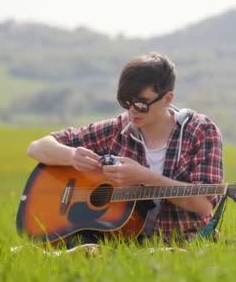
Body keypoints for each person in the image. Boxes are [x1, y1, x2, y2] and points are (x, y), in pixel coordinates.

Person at [26, 52, 224, 244]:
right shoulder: (115, 130)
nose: (131, 111)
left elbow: (203, 205)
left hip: (181, 245)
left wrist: (144, 177)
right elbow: (37, 147)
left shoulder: (200, 131)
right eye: (125, 101)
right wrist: (71, 156)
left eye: (141, 104)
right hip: (121, 244)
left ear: (167, 99)